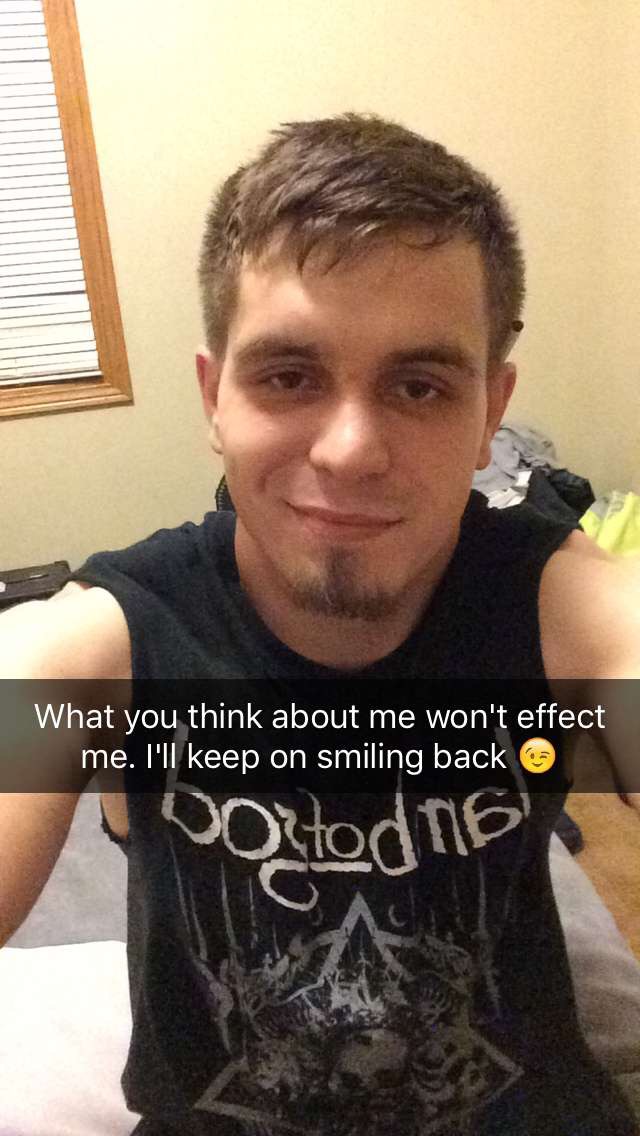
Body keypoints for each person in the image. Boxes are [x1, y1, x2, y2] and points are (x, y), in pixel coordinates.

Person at [1, 113, 638, 1135]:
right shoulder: (110, 644)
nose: (349, 450)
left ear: (489, 411)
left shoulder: (557, 608)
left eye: (419, 385)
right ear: (215, 397)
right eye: (289, 376)